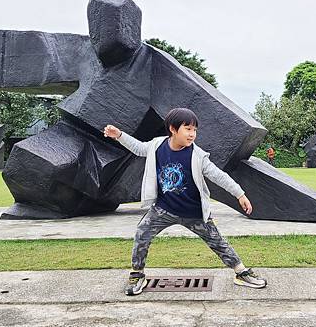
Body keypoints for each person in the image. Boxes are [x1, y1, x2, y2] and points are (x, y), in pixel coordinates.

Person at [103, 108, 267, 296]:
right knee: (142, 233)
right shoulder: (157, 146)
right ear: (173, 129)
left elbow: (219, 176)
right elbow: (139, 148)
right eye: (187, 129)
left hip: (194, 213)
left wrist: (240, 194)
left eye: (195, 130)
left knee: (218, 242)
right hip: (163, 210)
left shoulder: (198, 156)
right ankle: (137, 274)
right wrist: (119, 135)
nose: (192, 134)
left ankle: (241, 272)